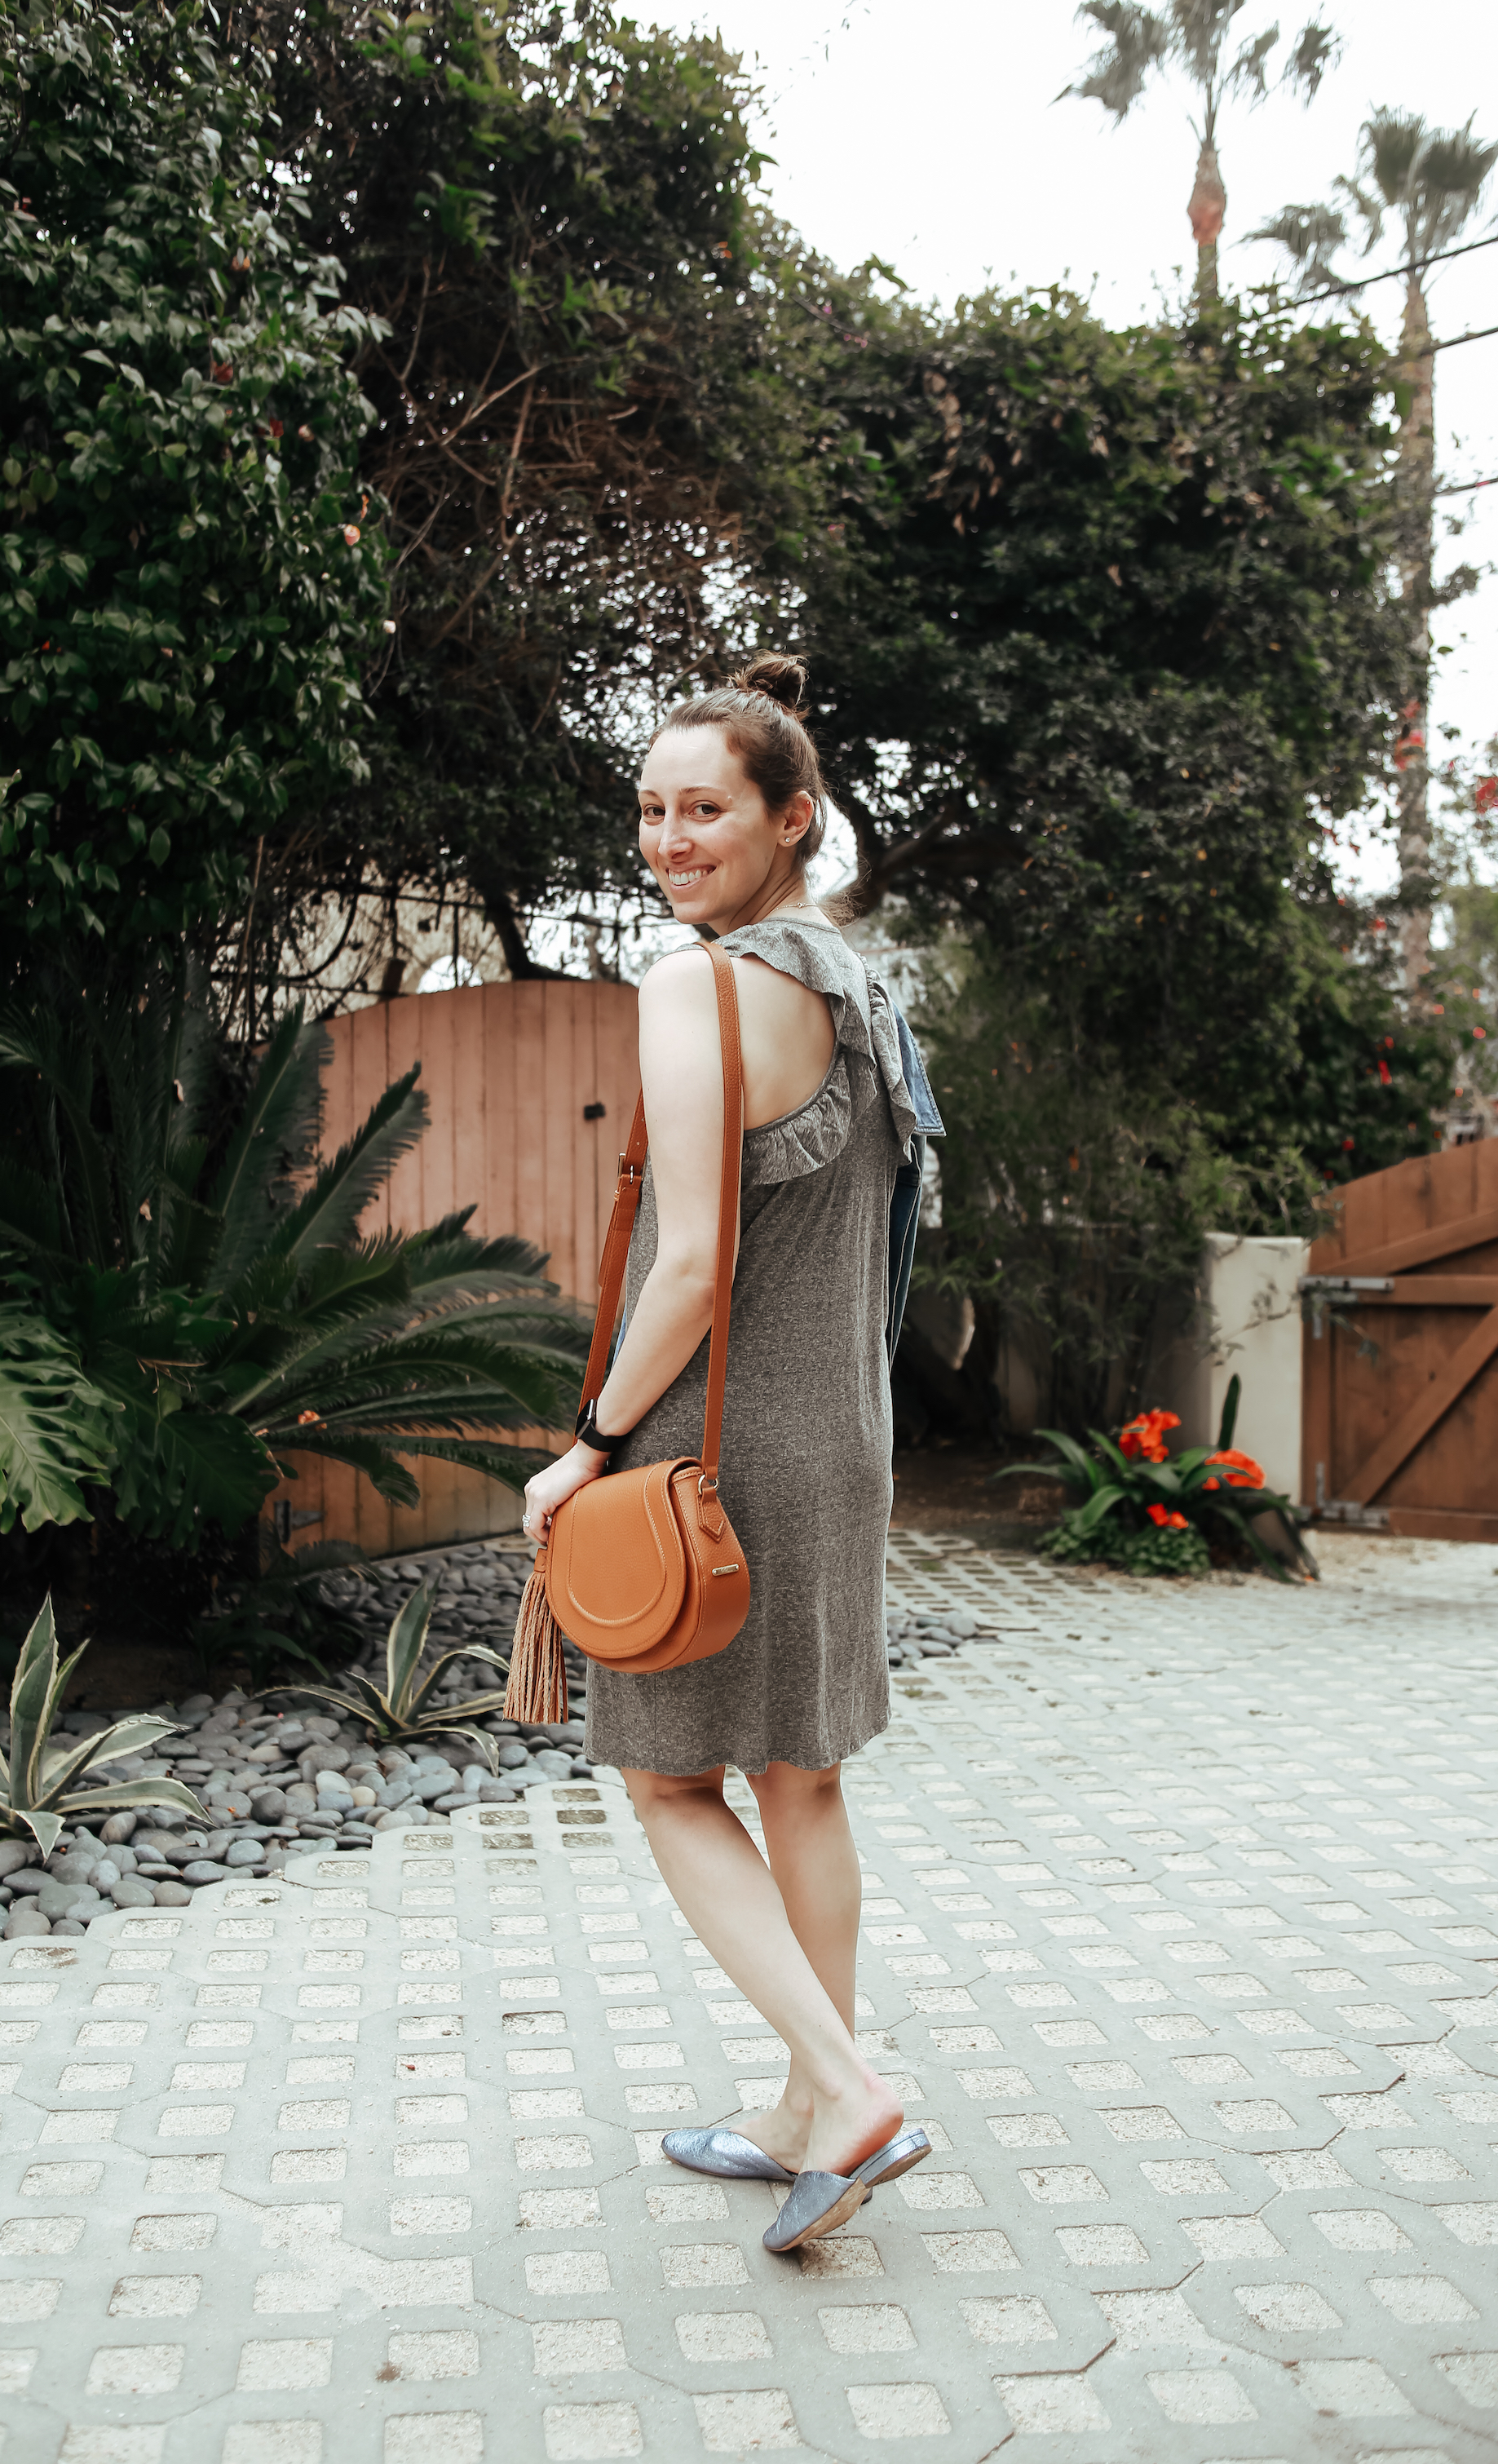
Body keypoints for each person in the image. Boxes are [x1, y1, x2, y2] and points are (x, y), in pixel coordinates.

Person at [519, 653, 931, 2254]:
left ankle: (844, 2088)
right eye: (649, 810)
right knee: (802, 1778)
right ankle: (796, 2116)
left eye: (705, 809)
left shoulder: (691, 987)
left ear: (790, 818)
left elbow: (690, 1265)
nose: (668, 839)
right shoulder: (860, 984)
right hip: (840, 1434)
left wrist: (587, 1443)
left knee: (668, 1777)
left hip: (713, 1440)